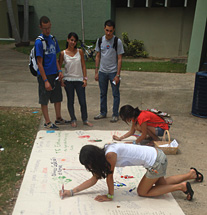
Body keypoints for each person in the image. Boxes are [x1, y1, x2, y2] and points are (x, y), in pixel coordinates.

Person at [60, 143, 203, 202]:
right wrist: (71, 192)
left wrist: (110, 196)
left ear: (93, 159)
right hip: (157, 156)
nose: (89, 167)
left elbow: (110, 178)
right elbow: (93, 179)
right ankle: (191, 174)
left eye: (88, 164)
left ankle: (182, 186)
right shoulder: (104, 153)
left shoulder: (110, 155)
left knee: (142, 191)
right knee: (162, 184)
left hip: (156, 162)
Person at [35, 16, 69, 130]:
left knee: (57, 97)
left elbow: (55, 58)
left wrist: (59, 71)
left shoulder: (53, 39)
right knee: (44, 99)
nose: (47, 31)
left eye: (49, 28)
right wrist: (45, 81)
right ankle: (47, 121)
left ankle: (58, 117)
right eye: (45, 28)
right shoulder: (39, 42)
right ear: (40, 27)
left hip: (54, 73)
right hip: (44, 74)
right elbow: (39, 63)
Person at [59, 32, 93, 128]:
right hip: (68, 80)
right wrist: (61, 79)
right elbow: (59, 66)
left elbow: (83, 65)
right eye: (71, 40)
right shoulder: (63, 53)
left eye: (74, 40)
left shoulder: (80, 52)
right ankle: (73, 119)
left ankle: (85, 119)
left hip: (79, 80)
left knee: (82, 101)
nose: (73, 42)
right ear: (68, 40)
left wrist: (85, 78)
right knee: (71, 101)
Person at [94, 20, 124, 123]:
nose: (108, 33)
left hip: (113, 72)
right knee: (103, 93)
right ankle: (103, 112)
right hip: (102, 72)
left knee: (115, 94)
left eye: (110, 31)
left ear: (113, 30)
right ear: (104, 28)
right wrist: (96, 71)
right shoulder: (100, 40)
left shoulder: (117, 41)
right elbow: (98, 56)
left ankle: (115, 114)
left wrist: (118, 75)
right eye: (107, 30)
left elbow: (119, 58)